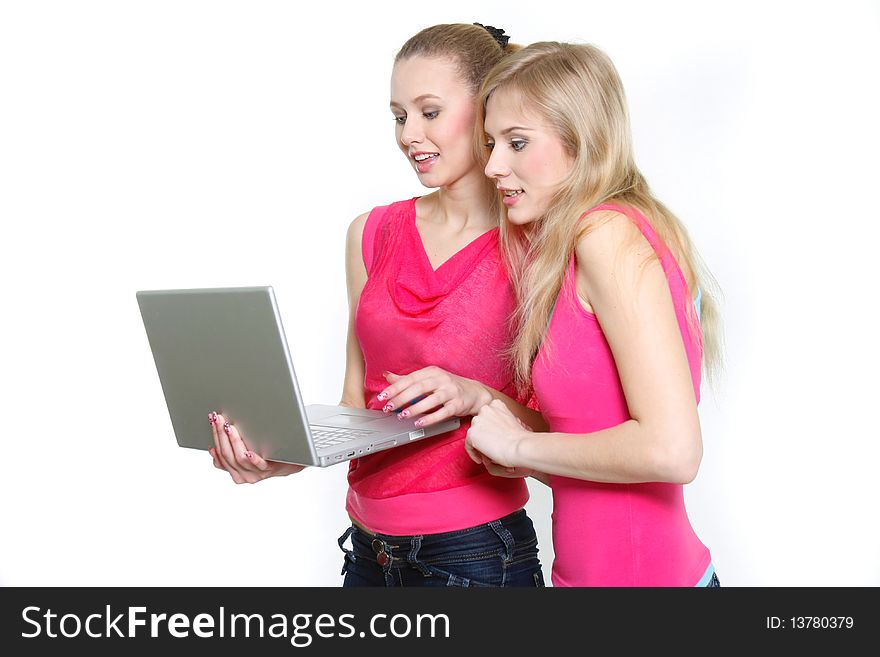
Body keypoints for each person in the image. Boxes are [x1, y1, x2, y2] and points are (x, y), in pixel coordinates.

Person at [207, 23, 547, 587]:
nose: (409, 134)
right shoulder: (372, 233)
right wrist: (275, 453)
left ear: (488, 108)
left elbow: (563, 431)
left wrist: (476, 398)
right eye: (398, 115)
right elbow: (357, 407)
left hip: (475, 554)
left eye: (430, 111)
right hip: (368, 550)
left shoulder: (539, 246)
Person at [464, 41, 723, 587]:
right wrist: (481, 402)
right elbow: (595, 434)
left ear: (582, 144)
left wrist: (519, 445)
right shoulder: (580, 244)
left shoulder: (606, 234)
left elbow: (673, 451)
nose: (492, 166)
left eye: (516, 143)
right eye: (490, 143)